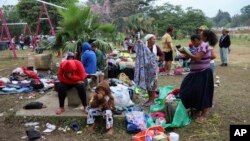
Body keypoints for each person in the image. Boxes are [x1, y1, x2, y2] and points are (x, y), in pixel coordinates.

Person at [179, 35, 214, 123]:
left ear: (199, 40)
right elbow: (192, 56)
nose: (193, 44)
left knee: (204, 93)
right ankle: (196, 110)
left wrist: (187, 53)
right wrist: (184, 54)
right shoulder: (197, 47)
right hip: (194, 73)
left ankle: (203, 114)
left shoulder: (204, 46)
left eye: (194, 41)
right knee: (188, 91)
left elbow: (197, 58)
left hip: (203, 73)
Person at [134, 38, 158, 107]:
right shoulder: (144, 47)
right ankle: (149, 99)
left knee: (152, 84)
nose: (154, 40)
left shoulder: (155, 47)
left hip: (152, 68)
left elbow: (160, 55)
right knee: (148, 84)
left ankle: (152, 100)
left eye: (154, 39)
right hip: (146, 68)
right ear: (148, 40)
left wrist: (157, 59)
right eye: (153, 39)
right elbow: (135, 49)